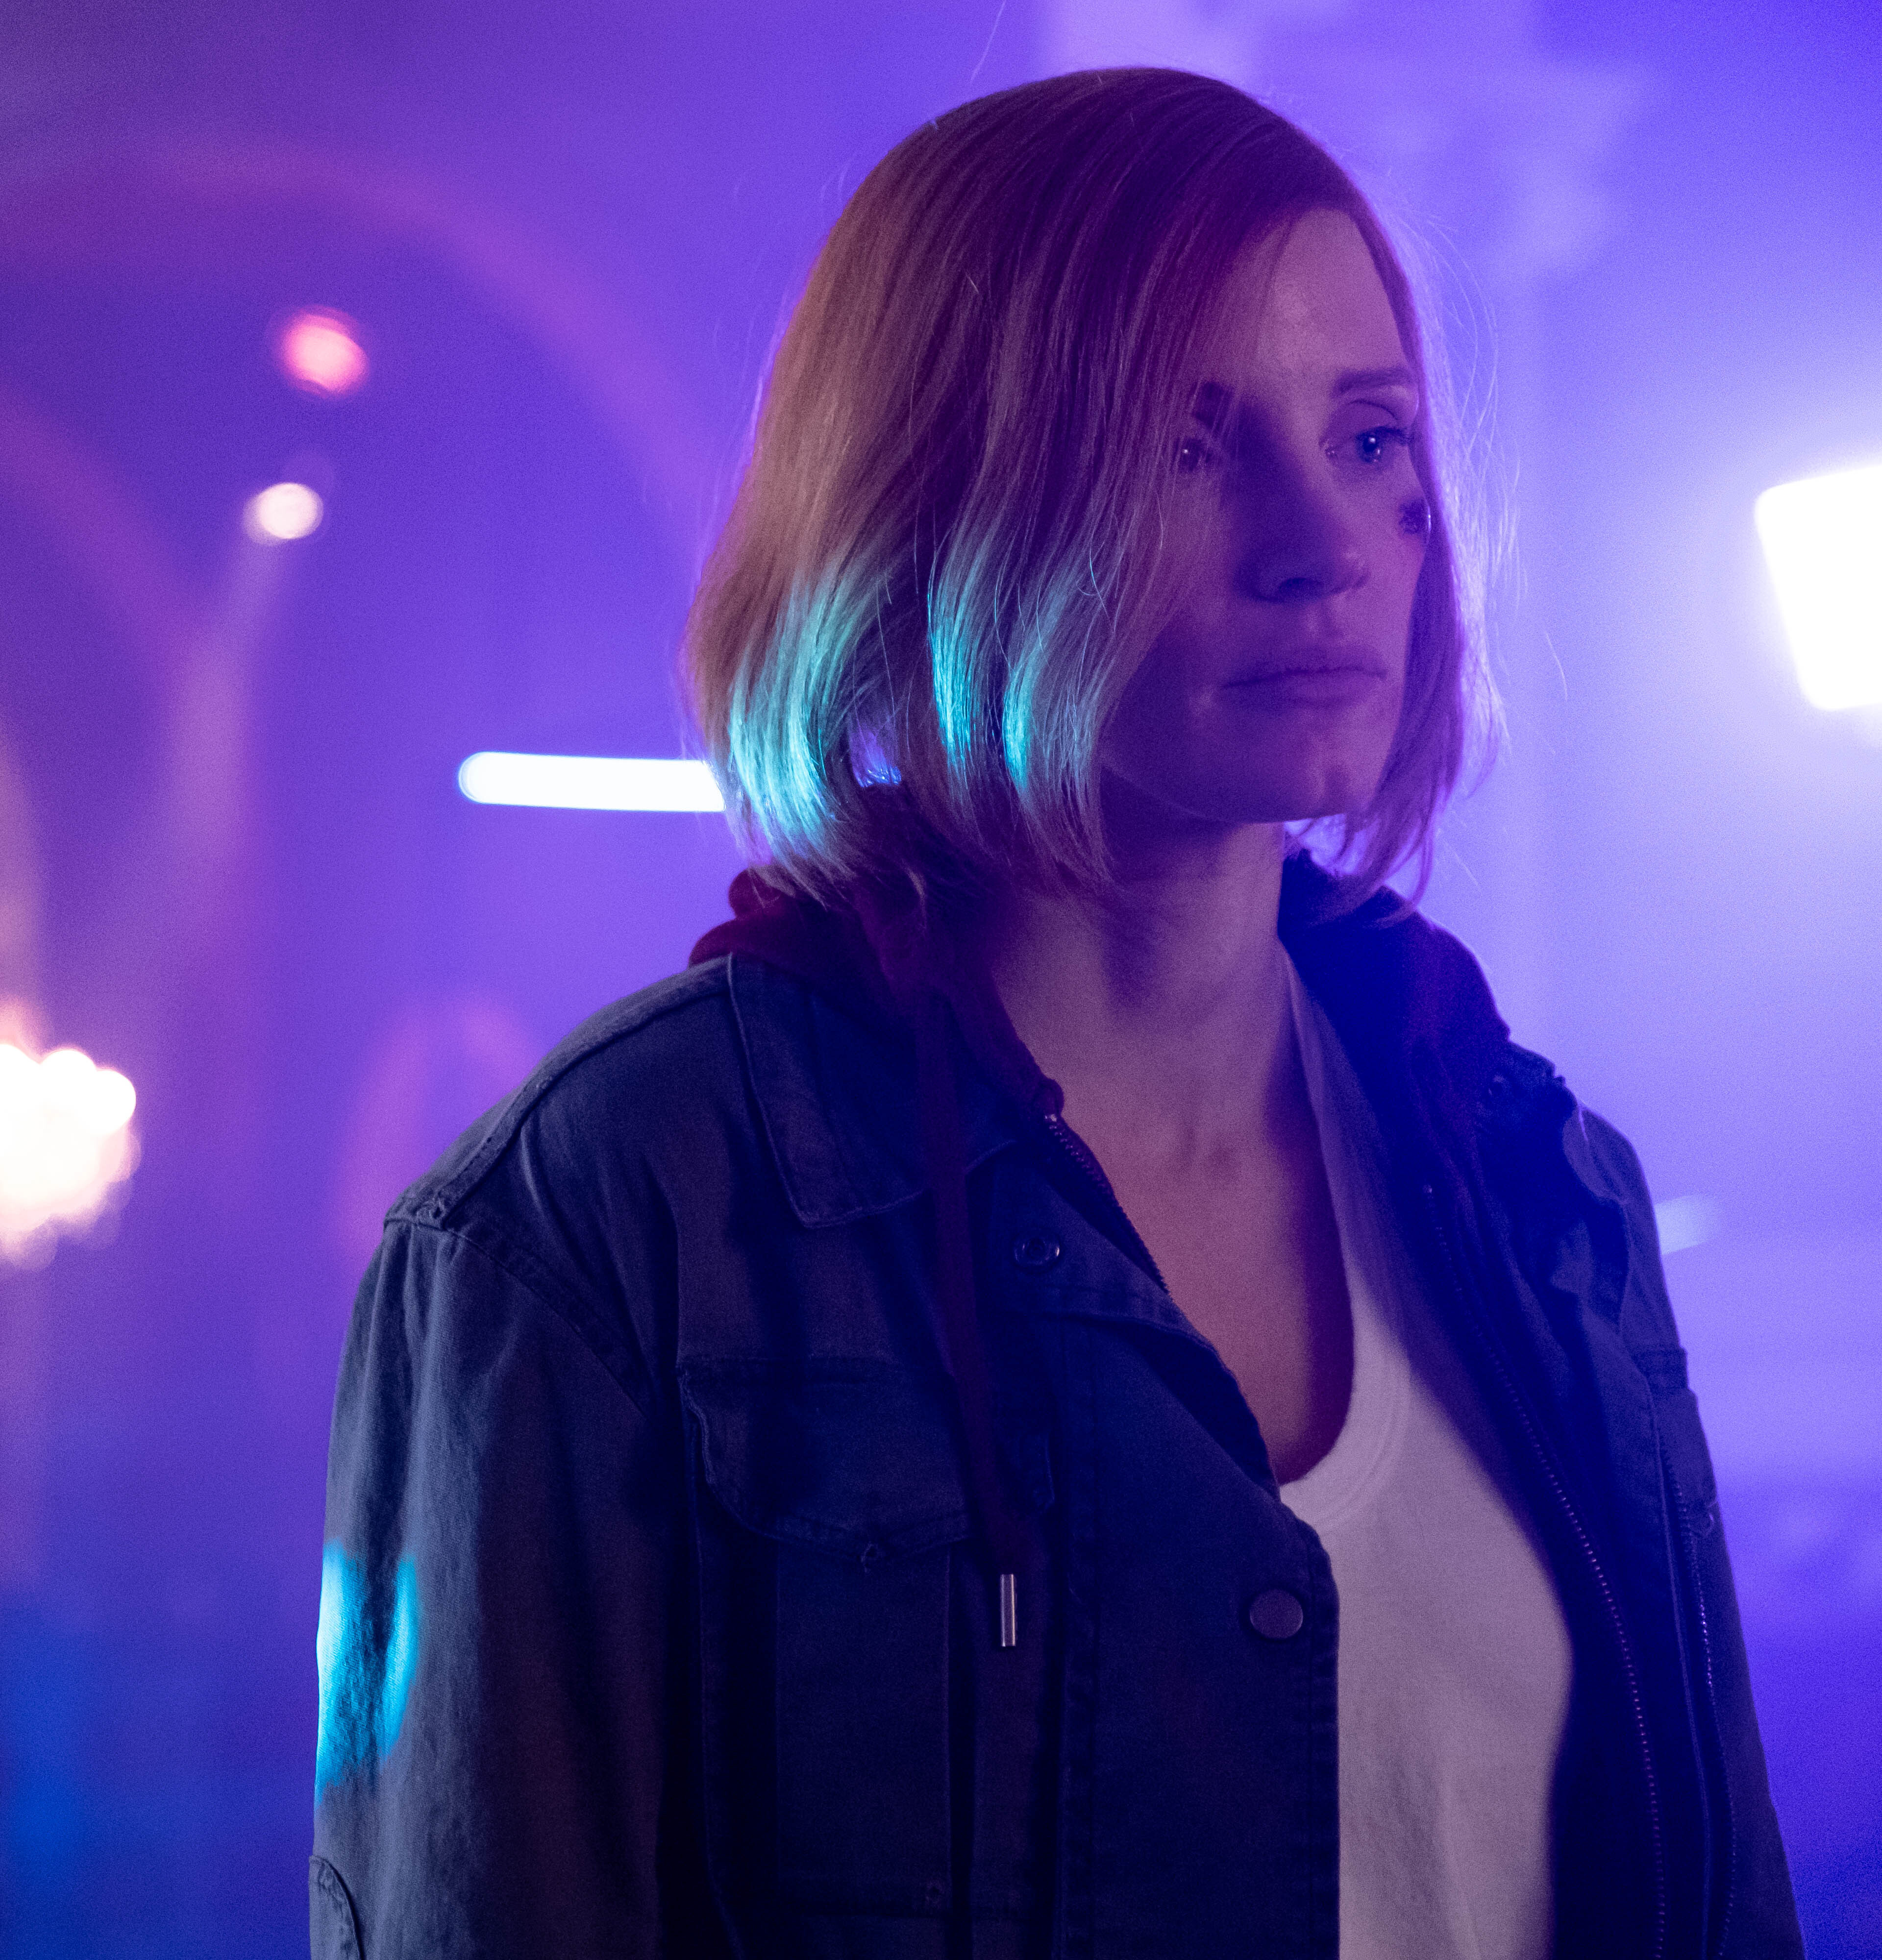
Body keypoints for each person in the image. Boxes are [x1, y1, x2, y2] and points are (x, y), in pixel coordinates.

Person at [308, 66, 1799, 1960]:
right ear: (944, 507)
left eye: (1369, 437)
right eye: (1183, 446)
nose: (1325, 541)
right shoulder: (606, 1226)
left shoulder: (1544, 1190)